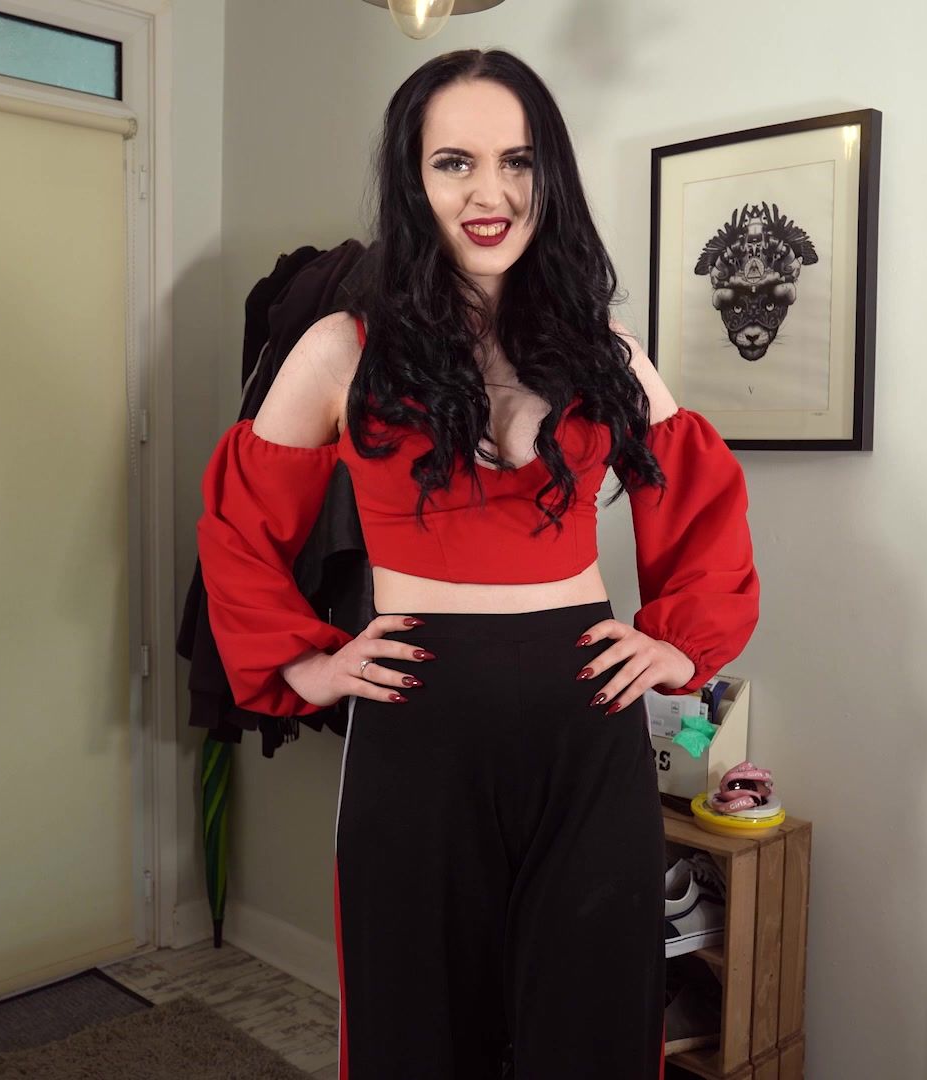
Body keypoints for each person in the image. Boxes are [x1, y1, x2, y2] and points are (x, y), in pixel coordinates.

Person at [196, 49, 759, 1079]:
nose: (489, 193)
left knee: (592, 1025)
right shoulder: (340, 350)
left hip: (585, 723)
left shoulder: (603, 352)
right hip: (417, 721)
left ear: (552, 176)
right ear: (413, 180)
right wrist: (303, 664)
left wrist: (681, 646)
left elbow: (701, 503)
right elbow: (239, 531)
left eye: (518, 161)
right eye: (454, 162)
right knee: (417, 1029)